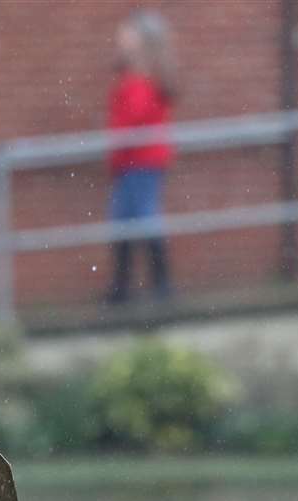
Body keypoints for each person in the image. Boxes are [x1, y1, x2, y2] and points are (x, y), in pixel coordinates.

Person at [104, 10, 176, 305]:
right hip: (130, 162)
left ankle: (155, 285)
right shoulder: (135, 80)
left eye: (127, 36)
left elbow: (133, 119)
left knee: (142, 217)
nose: (121, 41)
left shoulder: (141, 83)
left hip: (141, 162)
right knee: (125, 218)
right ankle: (125, 287)